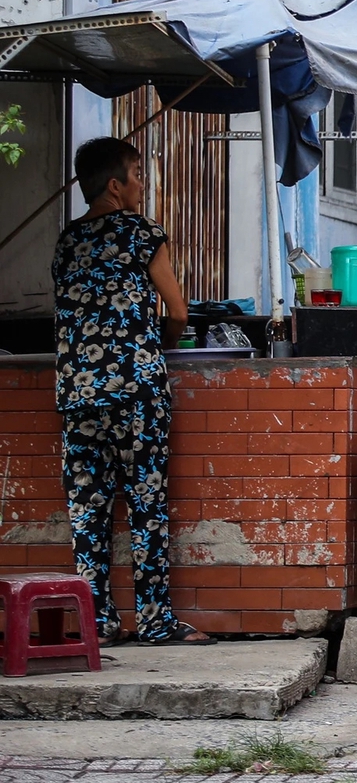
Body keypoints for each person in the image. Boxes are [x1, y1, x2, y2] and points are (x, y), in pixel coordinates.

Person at [51, 137, 208, 645]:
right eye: (137, 173)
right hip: (136, 391)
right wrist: (154, 344)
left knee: (88, 512)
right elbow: (179, 312)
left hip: (78, 393)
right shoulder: (142, 234)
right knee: (145, 505)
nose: (142, 182)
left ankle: (97, 623)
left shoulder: (67, 241)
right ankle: (156, 622)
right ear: (115, 184)